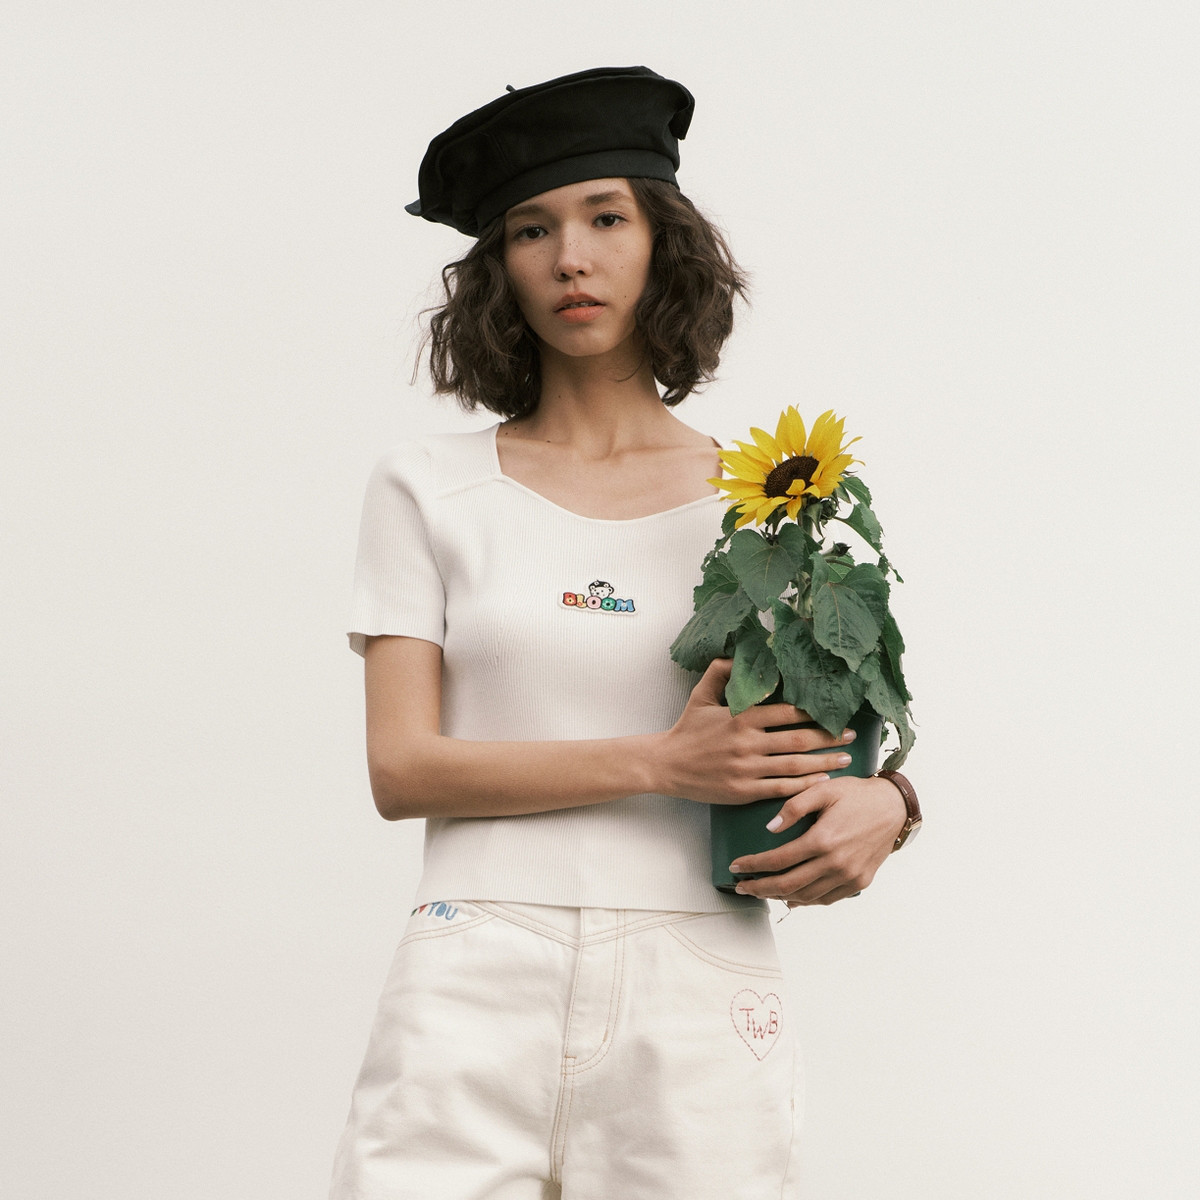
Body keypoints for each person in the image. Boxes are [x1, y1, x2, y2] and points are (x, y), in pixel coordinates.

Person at [329, 66, 917, 1200]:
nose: (571, 258)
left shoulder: (772, 503)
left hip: (699, 976)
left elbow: (835, 727)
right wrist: (660, 762)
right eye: (532, 230)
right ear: (499, 271)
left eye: (606, 218)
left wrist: (891, 803)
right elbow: (401, 770)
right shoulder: (427, 488)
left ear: (664, 246)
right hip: (473, 960)